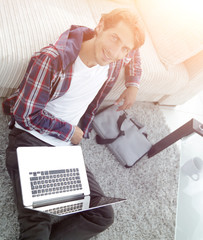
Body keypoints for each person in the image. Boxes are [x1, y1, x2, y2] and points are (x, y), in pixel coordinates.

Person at [2, 8, 145, 240]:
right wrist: (69, 131)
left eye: (124, 48)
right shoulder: (52, 60)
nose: (115, 51)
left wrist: (133, 84)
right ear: (99, 27)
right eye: (114, 38)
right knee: (37, 224)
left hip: (64, 150)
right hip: (29, 141)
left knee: (102, 215)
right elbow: (25, 114)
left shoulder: (115, 60)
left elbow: (134, 49)